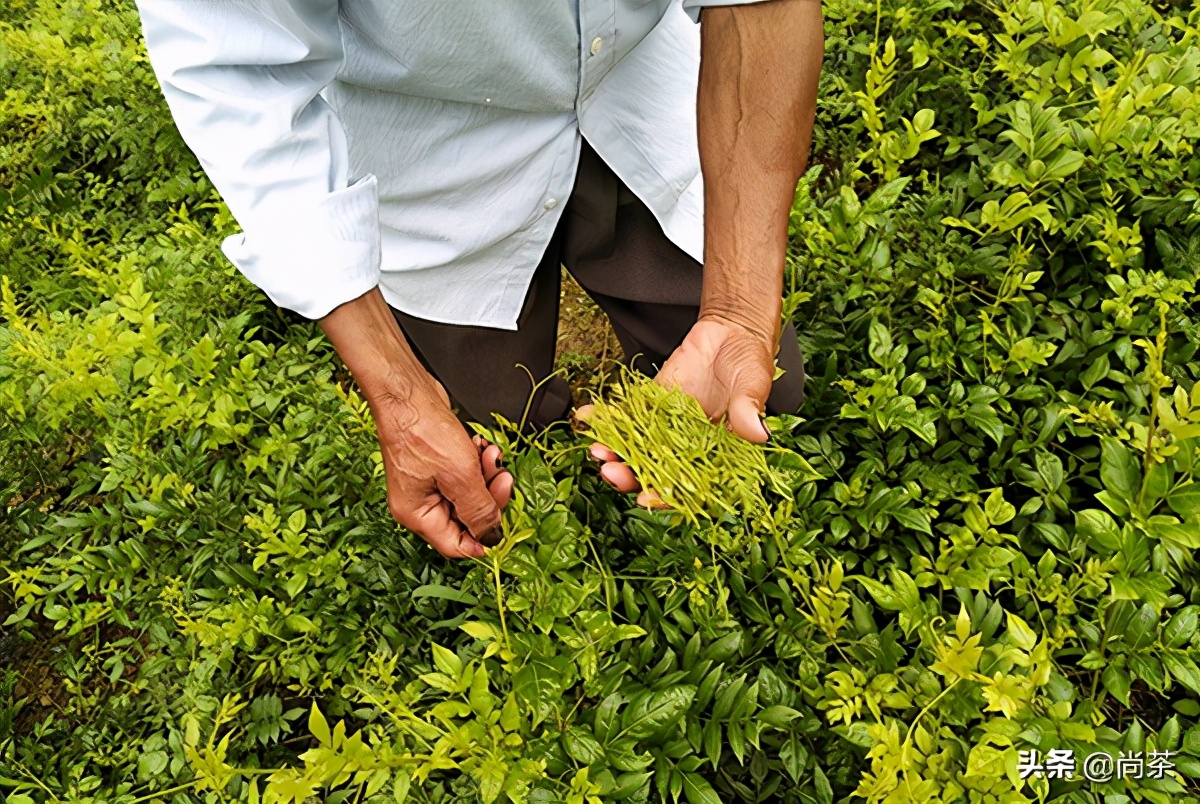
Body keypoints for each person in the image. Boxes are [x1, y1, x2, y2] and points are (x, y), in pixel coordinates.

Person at [135, 0, 824, 559]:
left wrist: (739, 309)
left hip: (637, 84)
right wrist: (402, 399)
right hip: (433, 147)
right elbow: (236, 68)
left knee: (768, 389)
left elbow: (761, 5)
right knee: (488, 442)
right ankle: (536, 515)